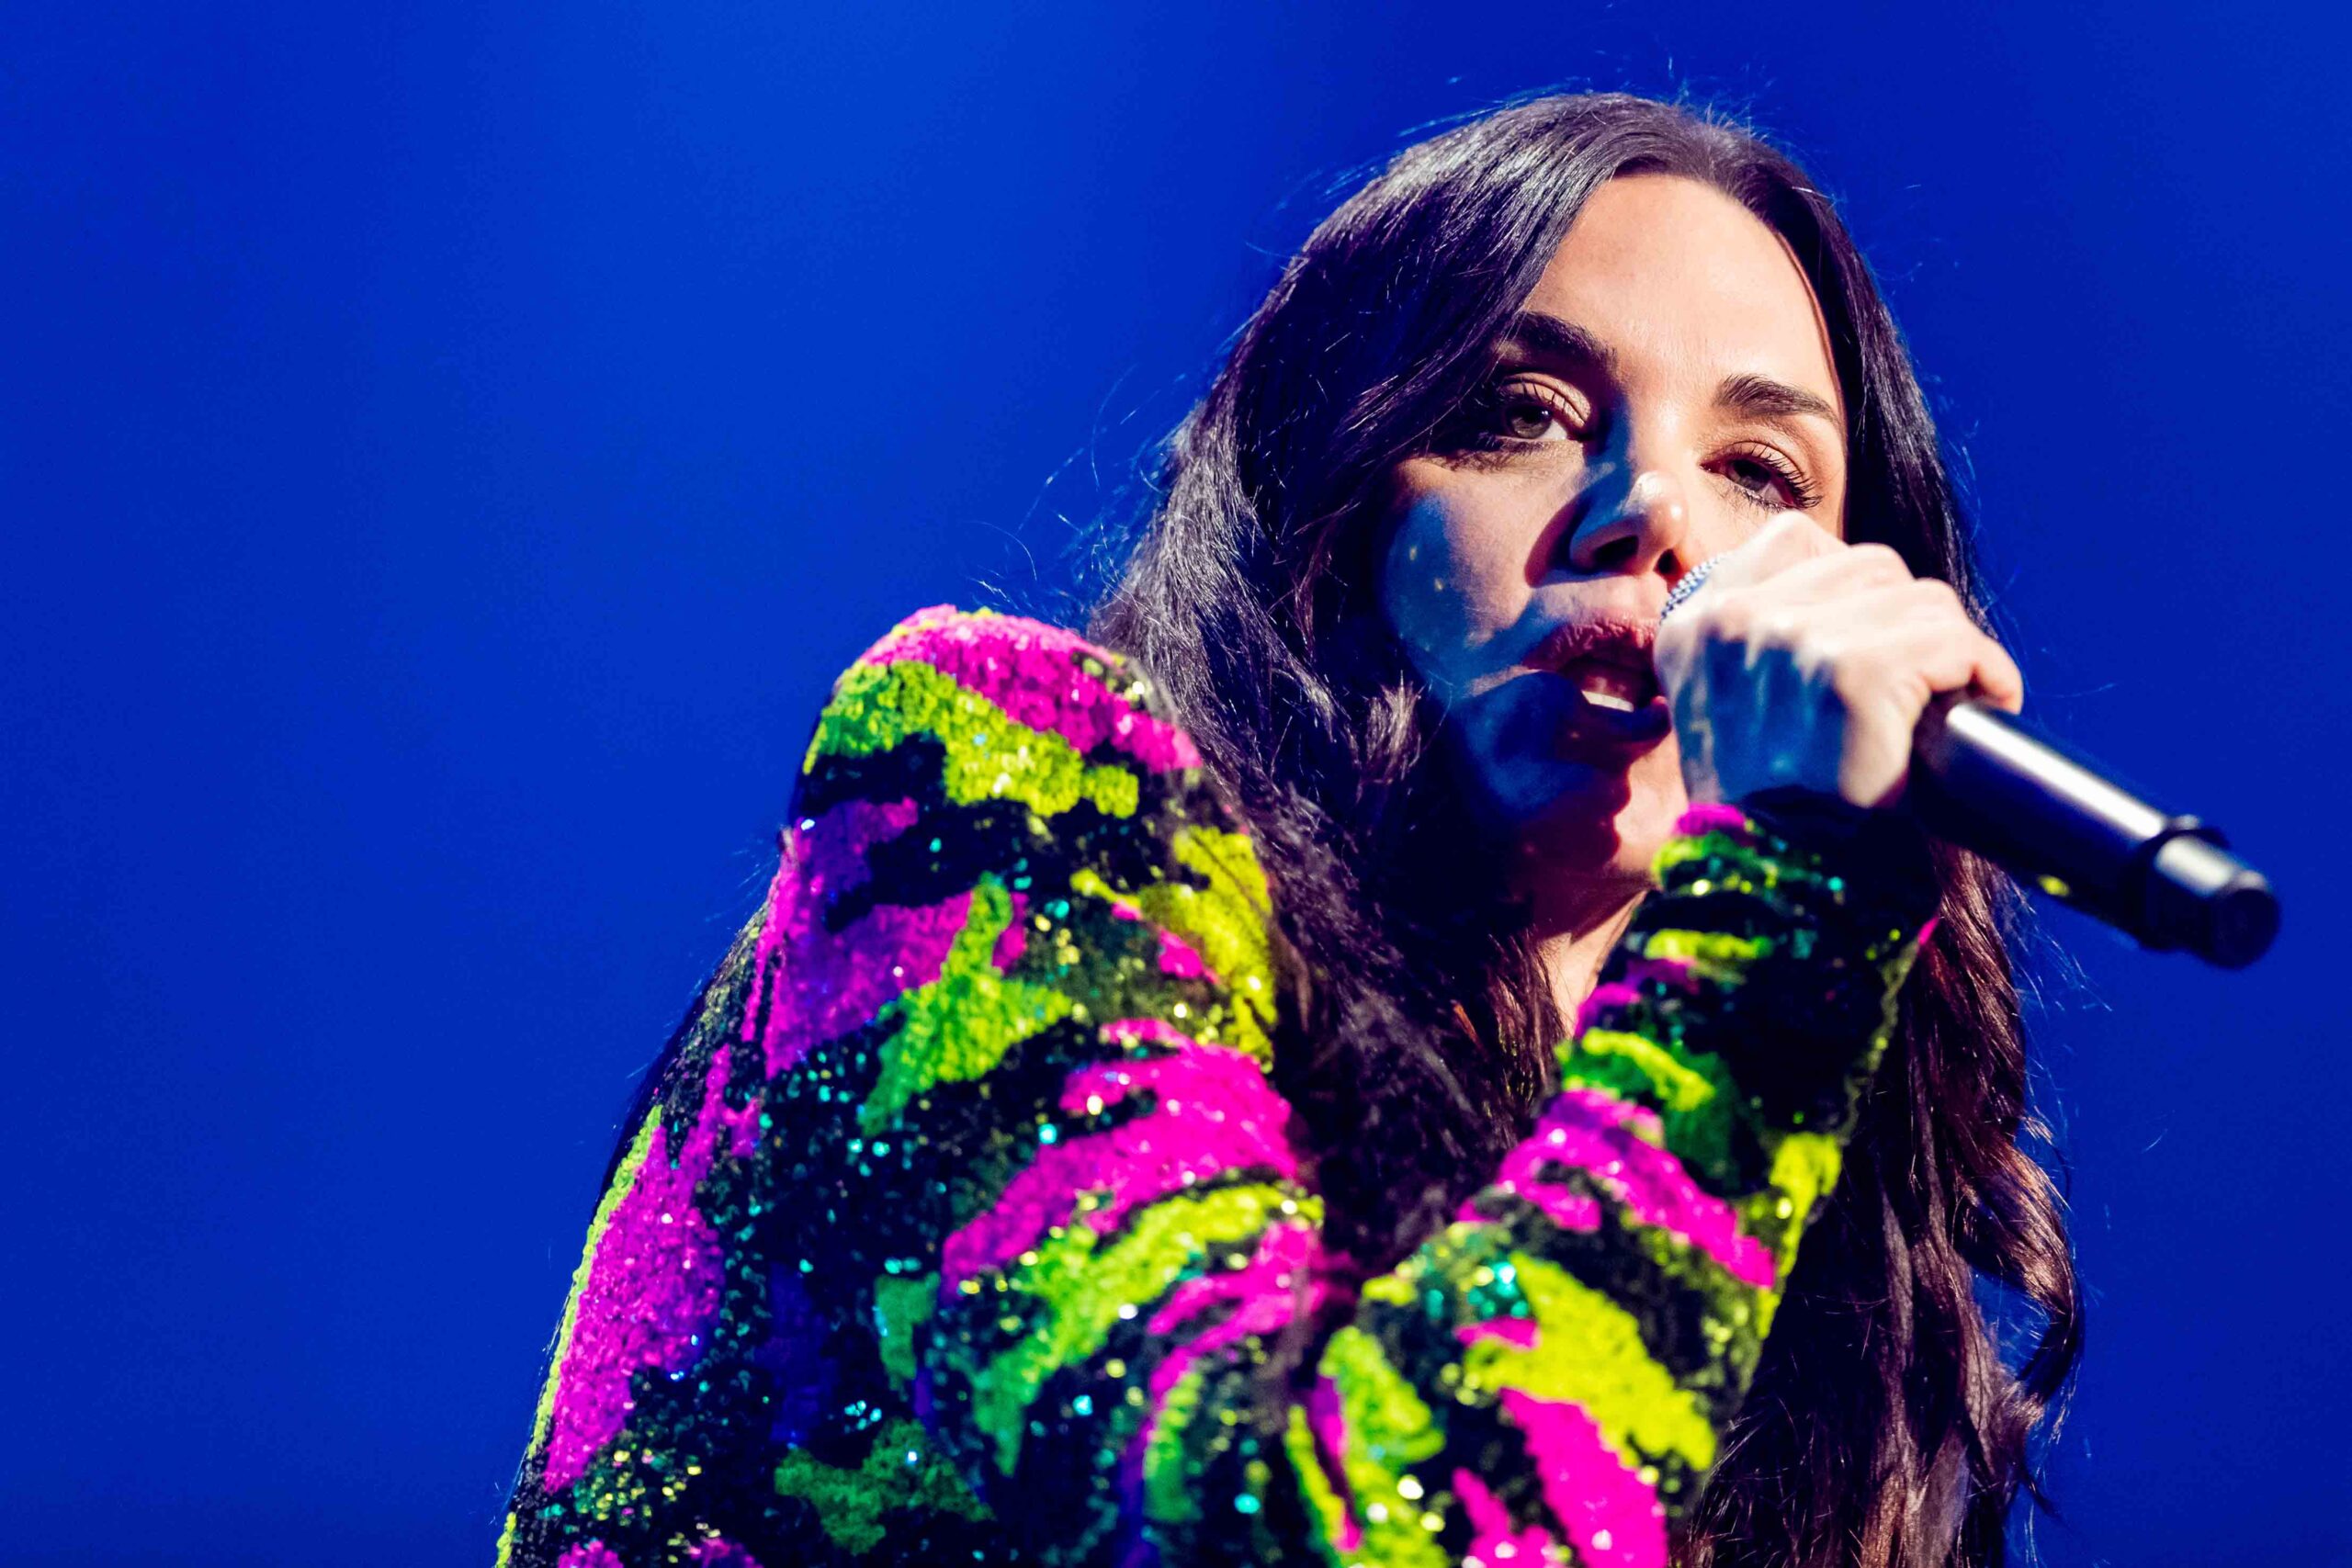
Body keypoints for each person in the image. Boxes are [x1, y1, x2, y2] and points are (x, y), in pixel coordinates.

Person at [496, 92, 2079, 1568]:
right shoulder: (999, 776)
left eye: (1762, 474)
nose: (1656, 512)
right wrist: (1786, 923)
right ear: (1329, 508)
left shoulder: (1763, 1232)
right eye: (1521, 411)